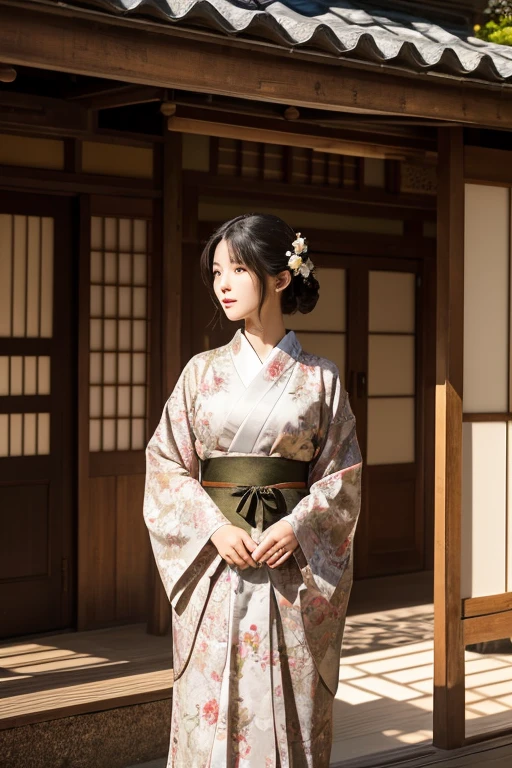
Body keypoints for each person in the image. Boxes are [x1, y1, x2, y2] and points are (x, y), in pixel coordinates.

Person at [143, 213, 362, 768]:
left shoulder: (321, 378)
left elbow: (342, 476)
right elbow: (166, 463)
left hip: (290, 568)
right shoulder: (200, 373)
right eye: (217, 270)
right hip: (216, 569)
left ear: (281, 278)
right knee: (211, 705)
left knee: (291, 710)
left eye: (238, 269)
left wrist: (296, 525)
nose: (222, 284)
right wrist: (214, 526)